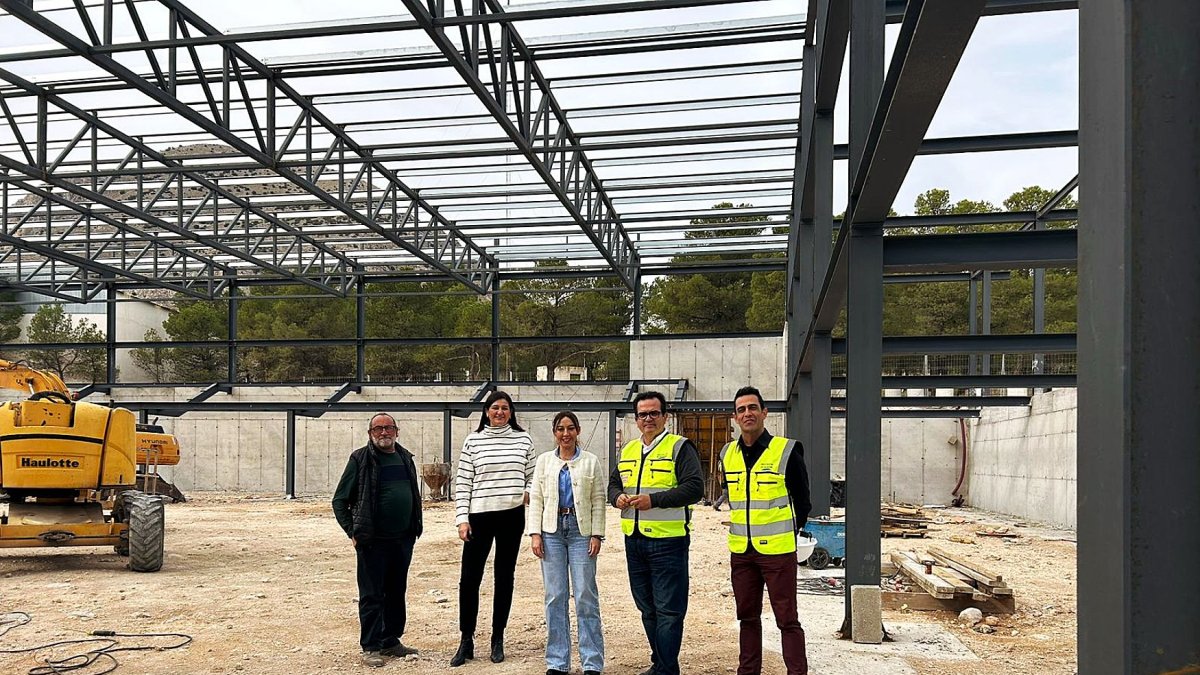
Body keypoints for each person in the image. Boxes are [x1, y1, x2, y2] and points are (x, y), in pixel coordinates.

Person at [608, 391, 704, 675]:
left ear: (665, 416)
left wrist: (654, 500)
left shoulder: (679, 447)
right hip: (634, 541)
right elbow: (613, 484)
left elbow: (694, 488)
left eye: (653, 413)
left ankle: (665, 670)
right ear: (636, 419)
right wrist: (617, 498)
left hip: (668, 542)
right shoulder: (628, 450)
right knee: (648, 609)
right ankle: (662, 665)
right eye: (642, 414)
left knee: (669, 611)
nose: (648, 418)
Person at [720, 386, 812, 675]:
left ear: (764, 412)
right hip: (742, 552)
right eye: (741, 409)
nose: (747, 413)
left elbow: (803, 502)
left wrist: (785, 533)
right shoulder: (727, 453)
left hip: (777, 553)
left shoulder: (786, 451)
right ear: (735, 417)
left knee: (787, 619)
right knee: (747, 618)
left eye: (752, 408)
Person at [331, 412, 424, 668]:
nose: (384, 432)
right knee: (372, 595)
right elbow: (339, 500)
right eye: (378, 429)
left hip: (403, 539)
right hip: (373, 541)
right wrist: (353, 532)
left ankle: (390, 640)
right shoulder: (360, 459)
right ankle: (371, 646)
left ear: (397, 431)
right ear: (370, 433)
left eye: (388, 427)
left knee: (396, 592)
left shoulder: (405, 458)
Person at [451, 390, 536, 667]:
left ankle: (498, 637)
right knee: (469, 579)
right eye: (495, 407)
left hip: (511, 516)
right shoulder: (473, 441)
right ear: (486, 411)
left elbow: (533, 475)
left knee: (504, 577)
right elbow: (463, 481)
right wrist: (462, 519)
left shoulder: (523, 439)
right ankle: (466, 639)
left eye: (505, 408)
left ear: (511, 412)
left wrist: (526, 492)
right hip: (479, 516)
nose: (500, 412)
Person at [527, 411, 606, 675]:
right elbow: (536, 498)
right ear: (554, 433)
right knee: (555, 596)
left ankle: (592, 662)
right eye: (560, 429)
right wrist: (535, 533)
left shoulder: (590, 461)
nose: (565, 434)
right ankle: (557, 662)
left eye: (570, 428)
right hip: (551, 532)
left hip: (581, 532)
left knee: (585, 595)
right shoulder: (544, 461)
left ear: (578, 431)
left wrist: (596, 534)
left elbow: (598, 499)